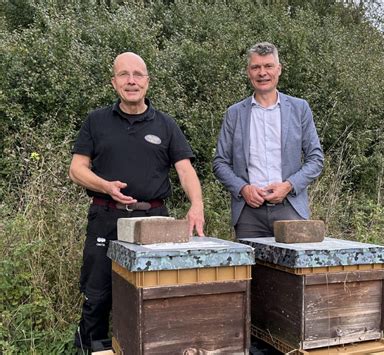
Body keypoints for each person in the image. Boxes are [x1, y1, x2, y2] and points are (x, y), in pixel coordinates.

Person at [69, 52, 205, 351]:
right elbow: (77, 169)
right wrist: (105, 185)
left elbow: (185, 169)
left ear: (148, 81)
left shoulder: (166, 124)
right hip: (106, 218)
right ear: (114, 81)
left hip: (155, 223)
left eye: (138, 74)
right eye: (124, 74)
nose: (131, 81)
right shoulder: (96, 121)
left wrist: (196, 206)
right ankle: (91, 347)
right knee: (97, 295)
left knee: (155, 293)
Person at [213, 42, 323, 239]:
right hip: (248, 214)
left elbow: (315, 159)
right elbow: (220, 163)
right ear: (249, 72)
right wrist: (242, 189)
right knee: (250, 271)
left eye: (268, 66)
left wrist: (288, 185)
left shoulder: (299, 109)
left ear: (278, 70)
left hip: (290, 209)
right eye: (256, 67)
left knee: (294, 271)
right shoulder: (234, 113)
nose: (262, 73)